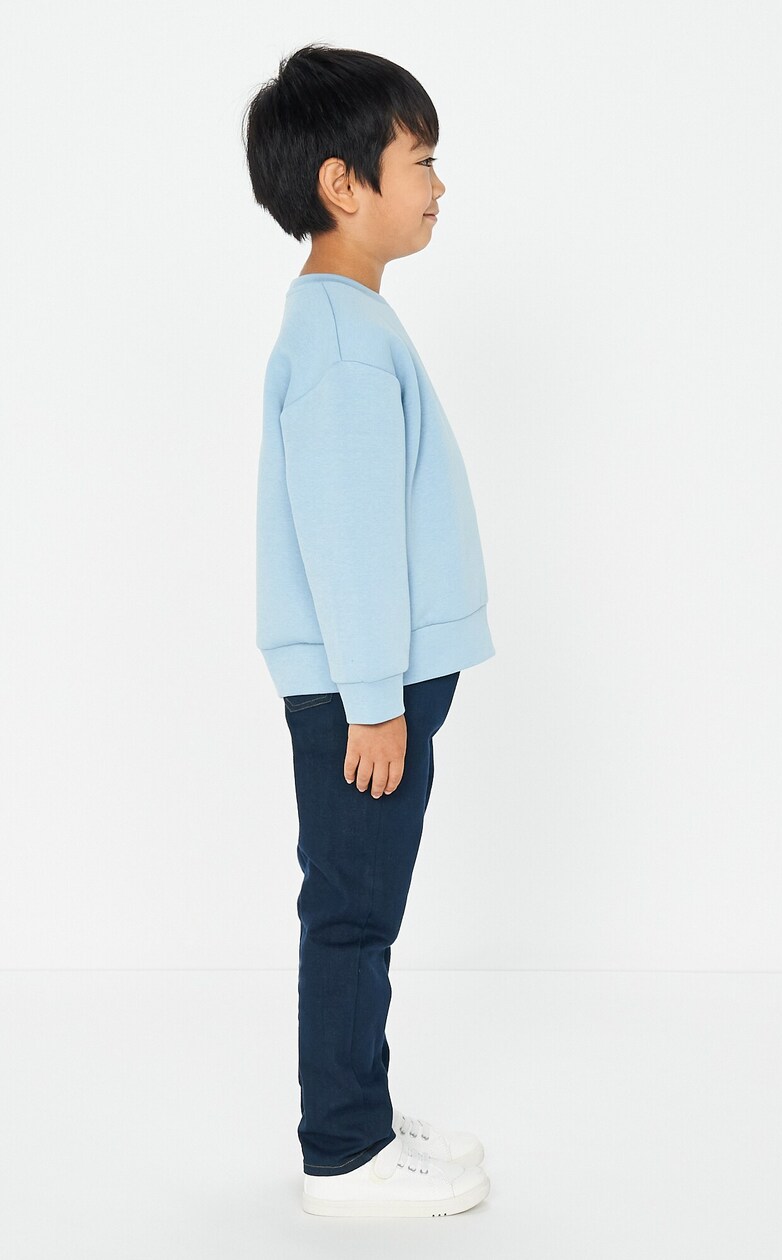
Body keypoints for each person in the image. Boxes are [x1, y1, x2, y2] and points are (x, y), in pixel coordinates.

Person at [243, 43, 496, 1218]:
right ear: (344, 184)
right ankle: (343, 1154)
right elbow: (346, 542)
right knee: (352, 911)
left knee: (361, 902)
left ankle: (364, 1115)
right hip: (368, 691)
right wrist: (375, 702)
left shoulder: (346, 322)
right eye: (421, 160)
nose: (439, 185)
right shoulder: (343, 344)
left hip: (376, 682)